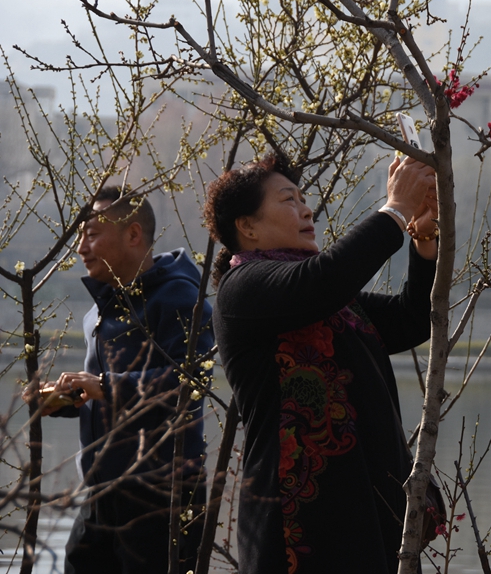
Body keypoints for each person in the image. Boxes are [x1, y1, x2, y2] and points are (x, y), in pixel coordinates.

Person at [204, 150, 438, 574]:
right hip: (300, 527)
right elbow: (323, 280)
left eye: (303, 198)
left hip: (365, 517)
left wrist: (422, 236)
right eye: (288, 200)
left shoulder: (332, 300)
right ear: (247, 227)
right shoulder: (241, 289)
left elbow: (411, 319)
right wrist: (395, 209)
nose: (306, 209)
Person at [31, 186, 214, 574]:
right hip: (100, 493)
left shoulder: (181, 298)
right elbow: (107, 395)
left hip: (162, 495)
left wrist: (106, 385)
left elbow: (192, 382)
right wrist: (63, 399)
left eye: (92, 234)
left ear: (133, 234)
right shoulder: (99, 311)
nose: (81, 248)